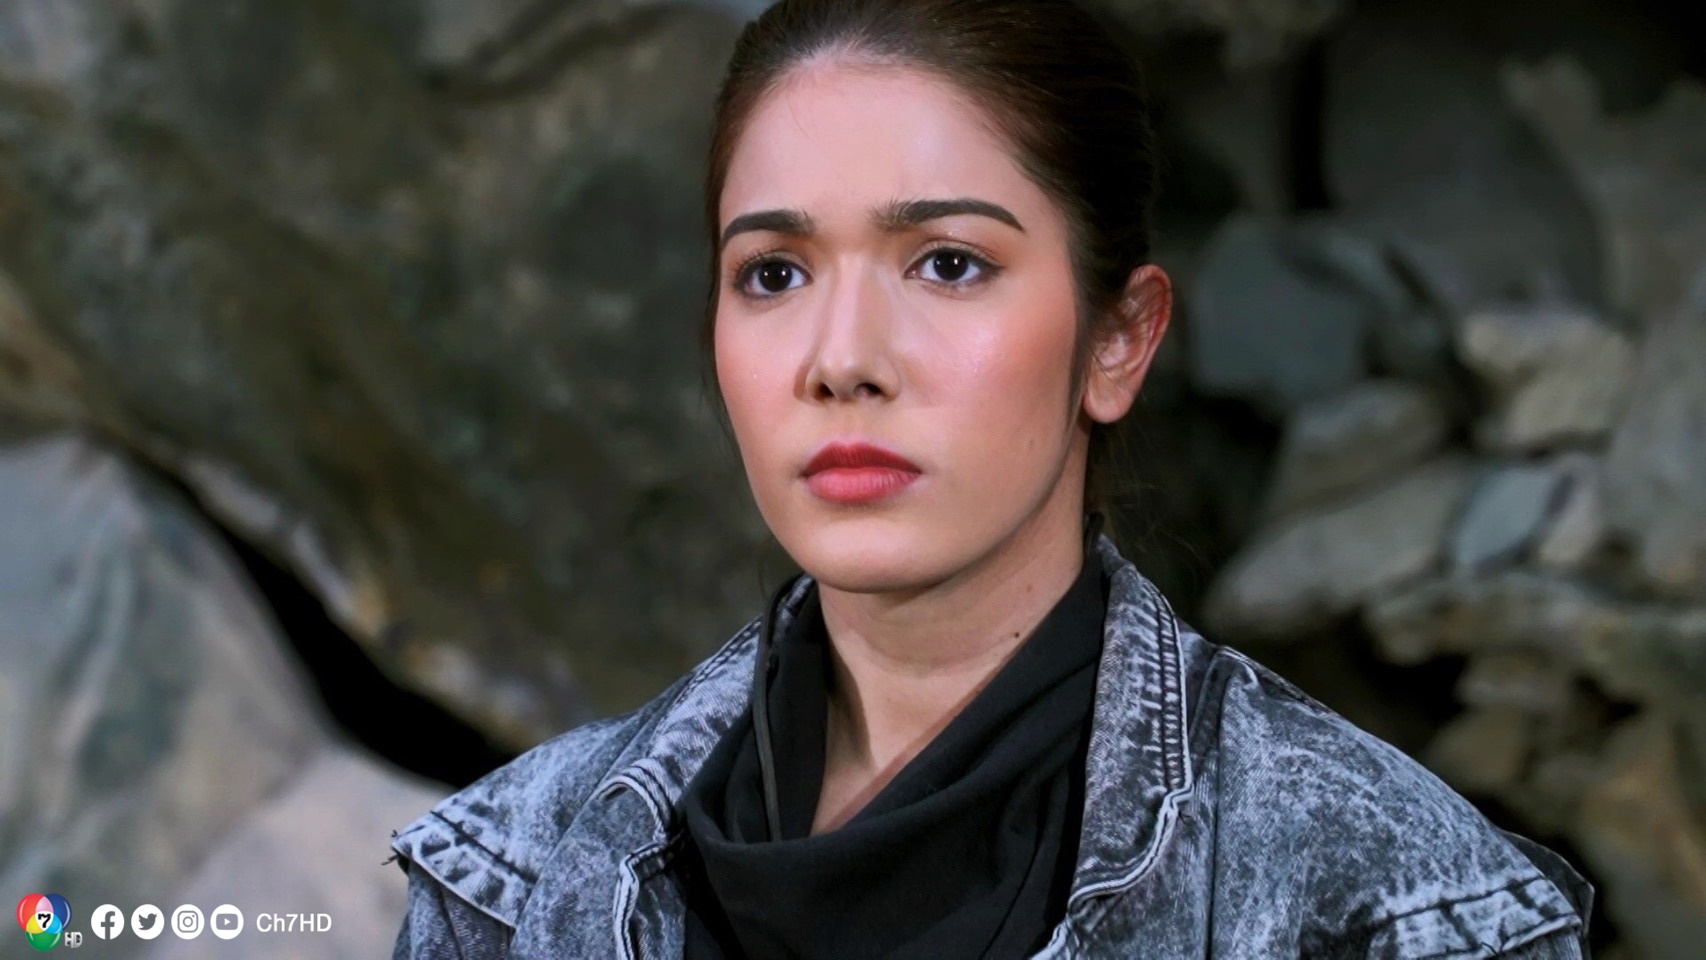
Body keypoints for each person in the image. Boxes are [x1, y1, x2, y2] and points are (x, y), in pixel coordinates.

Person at [387, 0, 1596, 956]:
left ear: (1117, 339)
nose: (842, 360)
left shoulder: (1388, 906)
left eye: (948, 264)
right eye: (773, 273)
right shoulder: (511, 877)